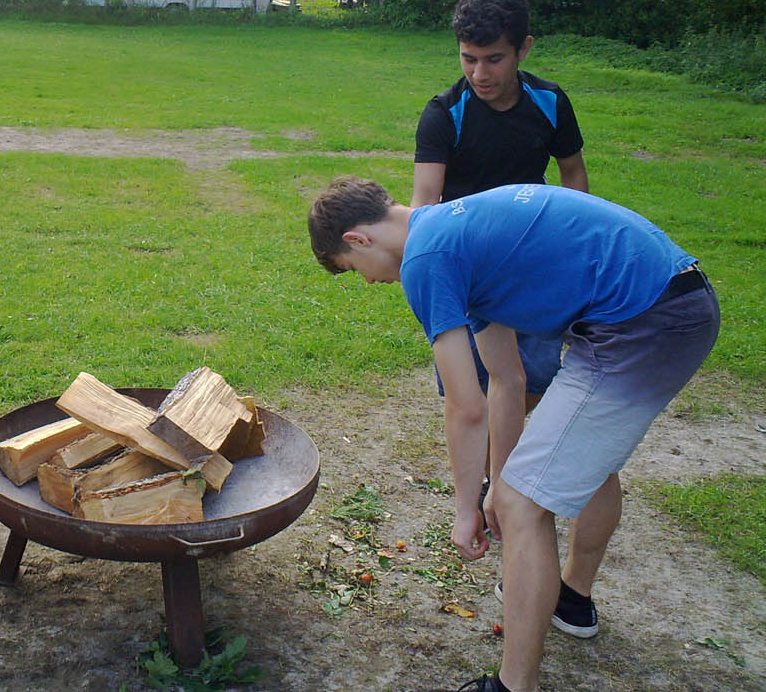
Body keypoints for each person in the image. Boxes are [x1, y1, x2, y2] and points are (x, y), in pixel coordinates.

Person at [308, 177, 719, 692]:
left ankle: (512, 686)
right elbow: (506, 379)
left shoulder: (425, 261)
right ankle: (569, 597)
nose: (367, 282)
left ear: (358, 240)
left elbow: (465, 407)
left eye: (353, 272)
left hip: (645, 322)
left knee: (525, 503)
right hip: (665, 304)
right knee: (575, 458)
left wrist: (467, 511)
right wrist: (491, 488)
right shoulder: (456, 233)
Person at [413, 0, 589, 418]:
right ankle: (487, 475)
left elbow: (573, 174)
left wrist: (570, 243)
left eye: (494, 59)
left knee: (536, 374)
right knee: (471, 383)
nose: (479, 74)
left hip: (535, 258)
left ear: (523, 49)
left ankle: (504, 467)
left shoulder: (549, 102)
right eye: (468, 59)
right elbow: (424, 201)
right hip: (469, 264)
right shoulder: (443, 113)